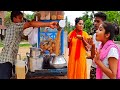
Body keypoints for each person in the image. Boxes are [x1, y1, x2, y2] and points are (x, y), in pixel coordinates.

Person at [0, 11, 58, 79]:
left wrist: (34, 27)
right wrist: (48, 24)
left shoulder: (16, 30)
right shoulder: (14, 26)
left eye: (22, 18)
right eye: (20, 18)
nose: (22, 20)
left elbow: (26, 36)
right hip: (6, 61)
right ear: (14, 18)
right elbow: (30, 24)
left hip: (10, 60)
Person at [90, 12, 107, 79]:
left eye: (98, 21)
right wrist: (92, 46)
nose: (95, 23)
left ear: (104, 23)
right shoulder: (94, 36)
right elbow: (92, 56)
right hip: (94, 67)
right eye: (94, 21)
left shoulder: (107, 37)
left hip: (103, 69)